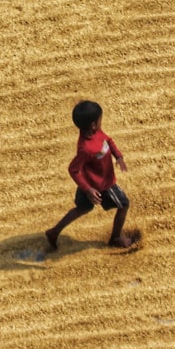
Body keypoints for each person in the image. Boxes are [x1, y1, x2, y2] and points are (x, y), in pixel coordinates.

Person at [45, 100, 138, 250]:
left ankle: (54, 232)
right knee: (124, 204)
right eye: (100, 119)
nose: (102, 122)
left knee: (82, 208)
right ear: (93, 125)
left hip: (88, 184)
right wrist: (88, 190)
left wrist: (118, 156)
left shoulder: (96, 132)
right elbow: (73, 169)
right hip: (102, 186)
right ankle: (115, 238)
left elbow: (108, 140)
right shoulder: (86, 148)